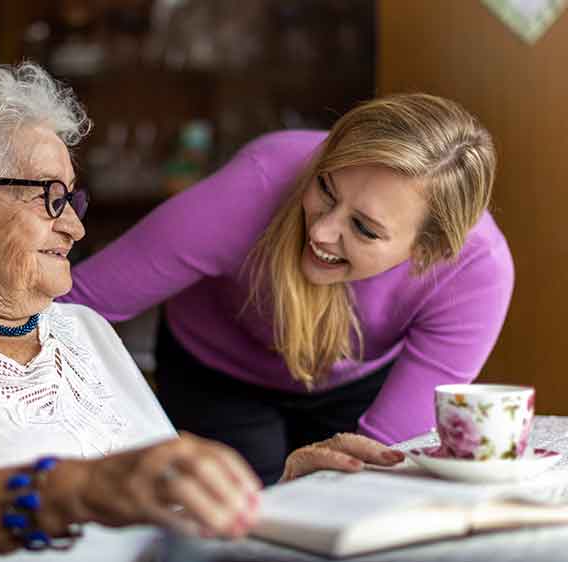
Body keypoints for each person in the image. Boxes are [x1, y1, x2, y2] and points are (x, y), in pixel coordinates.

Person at [0, 63, 403, 562]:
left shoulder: (81, 331)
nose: (76, 226)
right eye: (49, 198)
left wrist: (275, 500)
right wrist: (79, 488)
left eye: (73, 199)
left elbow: (163, 509)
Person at [62, 93, 514, 485]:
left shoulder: (477, 272)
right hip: (218, 371)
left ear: (429, 251)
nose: (322, 231)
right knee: (232, 525)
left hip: (356, 382)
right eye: (326, 188)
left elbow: (384, 461)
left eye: (363, 228)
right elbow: (71, 303)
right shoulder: (258, 183)